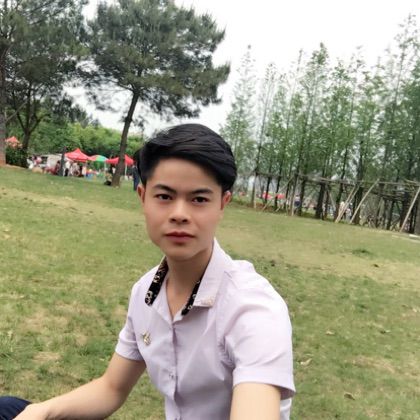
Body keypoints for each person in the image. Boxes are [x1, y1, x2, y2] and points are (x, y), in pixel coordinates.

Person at [0, 124, 295, 420]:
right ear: (143, 197)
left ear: (222, 204)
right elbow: (112, 387)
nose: (179, 214)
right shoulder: (146, 292)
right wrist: (40, 411)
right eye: (165, 196)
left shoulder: (253, 308)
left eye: (199, 199)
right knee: (10, 409)